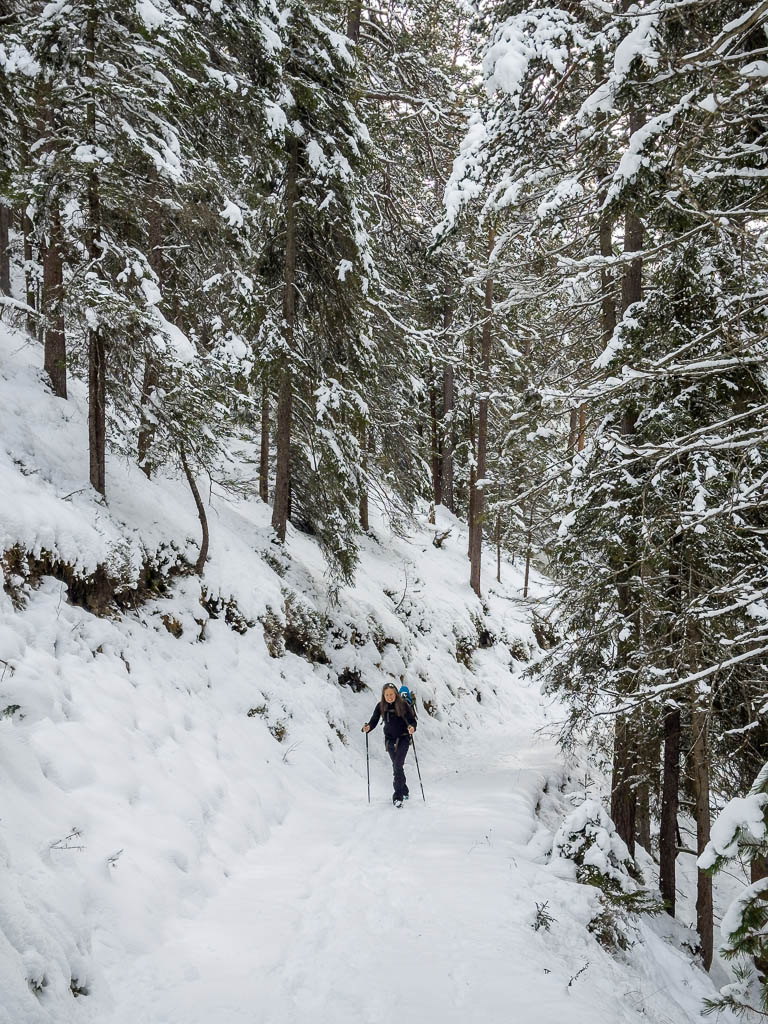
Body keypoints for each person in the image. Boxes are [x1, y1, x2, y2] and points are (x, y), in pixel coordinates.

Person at [362, 683, 416, 807]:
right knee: (397, 767)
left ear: (395, 694)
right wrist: (368, 727)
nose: (389, 697)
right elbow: (374, 720)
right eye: (387, 695)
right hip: (390, 740)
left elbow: (412, 720)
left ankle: (397, 797)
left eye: (391, 694)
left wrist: (412, 727)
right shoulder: (380, 706)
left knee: (397, 765)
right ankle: (404, 789)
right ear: (383, 695)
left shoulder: (403, 705)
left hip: (403, 738)